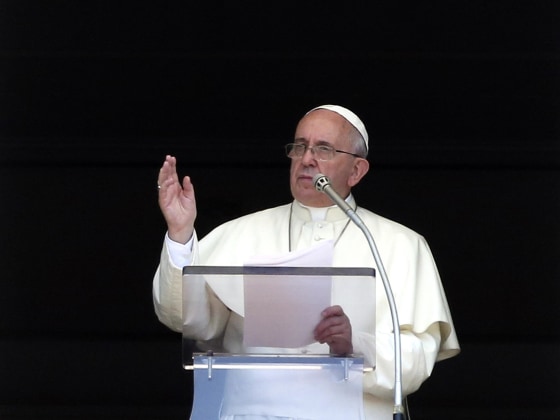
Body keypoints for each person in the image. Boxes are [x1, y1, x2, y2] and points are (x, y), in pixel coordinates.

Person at [153, 104, 460, 419]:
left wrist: (355, 344)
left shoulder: (401, 245)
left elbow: (417, 360)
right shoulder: (238, 234)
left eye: (324, 149)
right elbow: (186, 319)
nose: (307, 158)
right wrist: (180, 234)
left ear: (356, 171)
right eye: (299, 147)